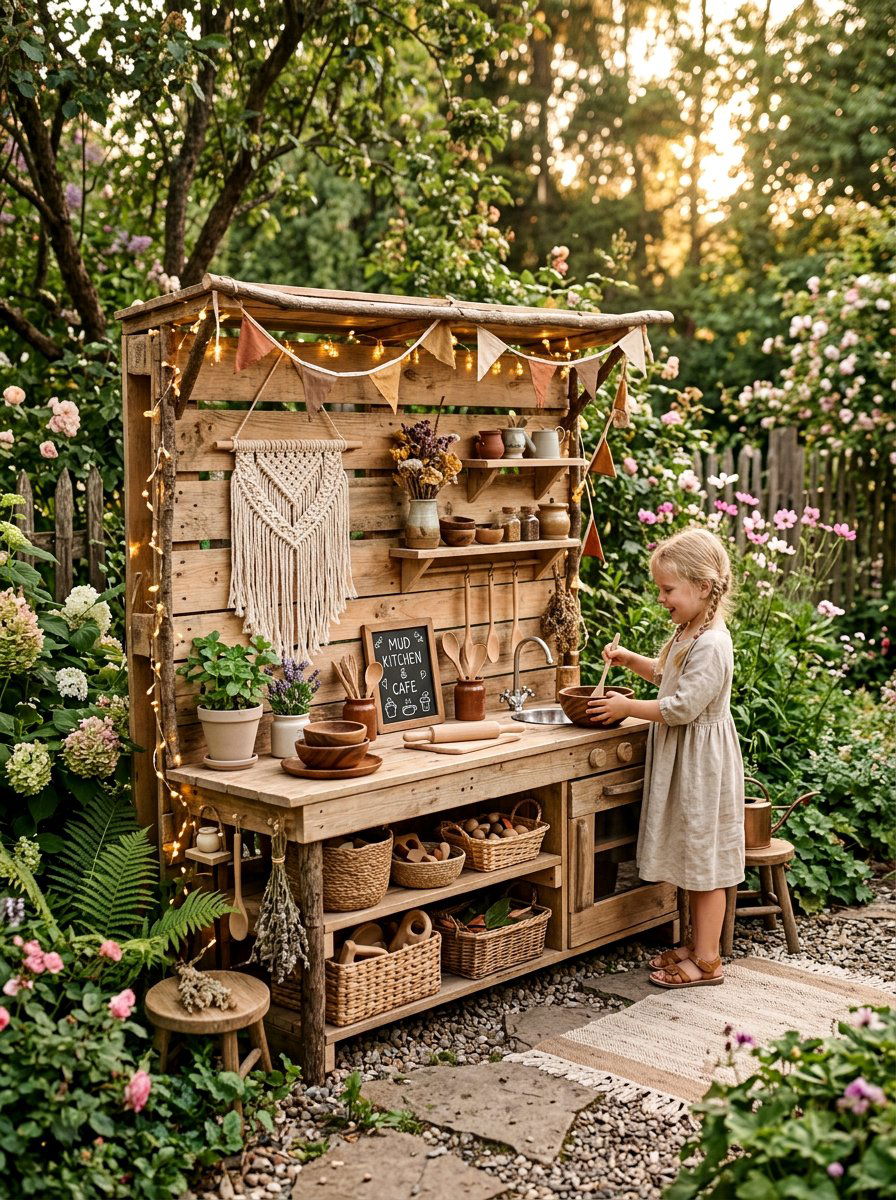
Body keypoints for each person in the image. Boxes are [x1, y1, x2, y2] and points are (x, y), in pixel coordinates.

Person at [587, 527, 745, 988]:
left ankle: (709, 961)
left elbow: (680, 707)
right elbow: (666, 675)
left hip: (701, 764)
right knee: (690, 853)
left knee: (705, 863)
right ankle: (698, 945)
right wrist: (628, 660)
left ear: (703, 586)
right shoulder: (690, 630)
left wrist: (626, 707)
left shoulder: (713, 644)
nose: (662, 597)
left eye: (668, 589)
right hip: (685, 761)